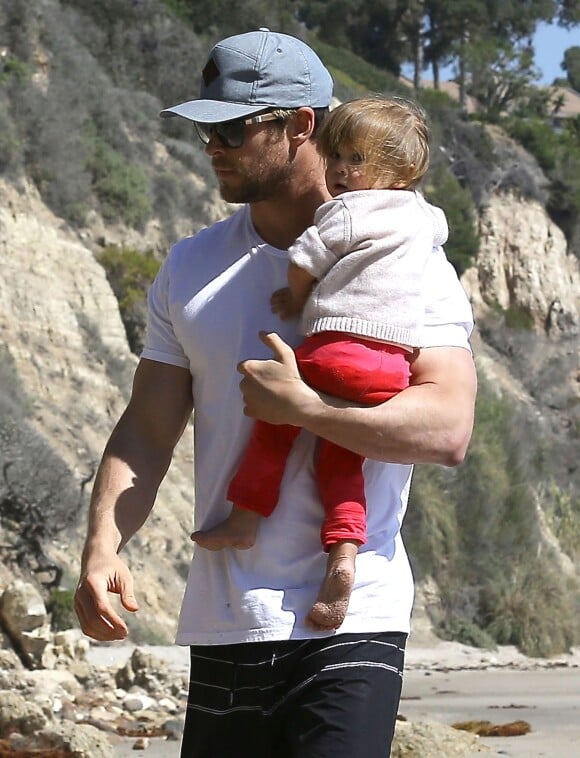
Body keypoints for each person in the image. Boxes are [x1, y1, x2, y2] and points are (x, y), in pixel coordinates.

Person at [74, 28, 477, 758]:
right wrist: (103, 545)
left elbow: (449, 429)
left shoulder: (404, 256)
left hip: (354, 616)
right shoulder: (191, 266)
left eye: (231, 127)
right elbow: (147, 427)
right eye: (204, 127)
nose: (211, 145)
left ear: (300, 125)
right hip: (225, 620)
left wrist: (304, 410)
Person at [191, 96, 449, 635]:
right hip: (391, 368)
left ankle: (244, 519)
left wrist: (295, 299)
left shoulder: (348, 209)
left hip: (333, 351)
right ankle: (344, 553)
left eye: (354, 159)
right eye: (335, 158)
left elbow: (308, 256)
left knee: (275, 428)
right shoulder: (426, 219)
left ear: (396, 170)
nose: (339, 171)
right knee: (342, 462)